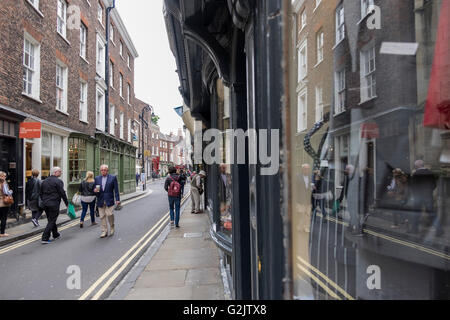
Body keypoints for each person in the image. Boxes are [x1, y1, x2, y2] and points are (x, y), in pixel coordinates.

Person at [409, 160, 439, 234]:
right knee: (432, 213)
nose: (415, 167)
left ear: (417, 166)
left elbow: (413, 186)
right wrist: (429, 191)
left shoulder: (416, 174)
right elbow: (434, 185)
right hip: (428, 196)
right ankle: (439, 230)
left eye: (415, 166)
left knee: (416, 214)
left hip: (418, 197)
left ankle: (414, 230)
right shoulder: (430, 173)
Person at [40, 167, 68, 244]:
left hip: (45, 204)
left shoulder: (44, 181)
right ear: (55, 172)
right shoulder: (58, 181)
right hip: (54, 203)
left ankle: (55, 234)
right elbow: (62, 193)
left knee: (51, 220)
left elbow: (41, 193)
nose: (61, 173)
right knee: (52, 220)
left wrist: (44, 201)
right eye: (59, 171)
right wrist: (67, 203)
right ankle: (45, 238)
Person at [94, 165, 120, 238]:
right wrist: (95, 191)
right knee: (102, 216)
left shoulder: (113, 177)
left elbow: (116, 190)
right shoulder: (97, 178)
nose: (103, 171)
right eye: (102, 170)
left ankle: (112, 227)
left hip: (109, 200)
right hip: (100, 200)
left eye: (104, 170)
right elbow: (95, 189)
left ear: (107, 170)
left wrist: (117, 199)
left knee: (110, 214)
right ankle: (104, 231)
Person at [0, 171, 13, 238]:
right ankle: (2, 233)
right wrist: (11, 191)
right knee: (3, 218)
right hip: (4, 203)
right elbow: (6, 192)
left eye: (5, 176)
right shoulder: (3, 183)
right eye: (4, 176)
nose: (5, 177)